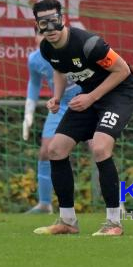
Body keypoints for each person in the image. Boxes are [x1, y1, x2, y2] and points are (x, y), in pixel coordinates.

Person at [31, 0, 133, 236]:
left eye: (53, 21)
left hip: (119, 93)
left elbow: (123, 71)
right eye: (42, 23)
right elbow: (59, 69)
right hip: (90, 96)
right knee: (56, 149)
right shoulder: (47, 48)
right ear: (36, 25)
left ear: (63, 19)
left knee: (100, 148)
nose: (49, 29)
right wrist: (57, 97)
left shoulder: (90, 44)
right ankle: (68, 222)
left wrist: (91, 98)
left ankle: (114, 223)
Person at [23, 31, 81, 214]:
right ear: (35, 37)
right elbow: (34, 84)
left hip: (85, 101)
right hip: (60, 106)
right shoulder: (34, 59)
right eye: (40, 33)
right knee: (46, 151)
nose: (44, 37)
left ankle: (116, 204)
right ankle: (45, 203)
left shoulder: (72, 49)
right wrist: (28, 113)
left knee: (100, 150)